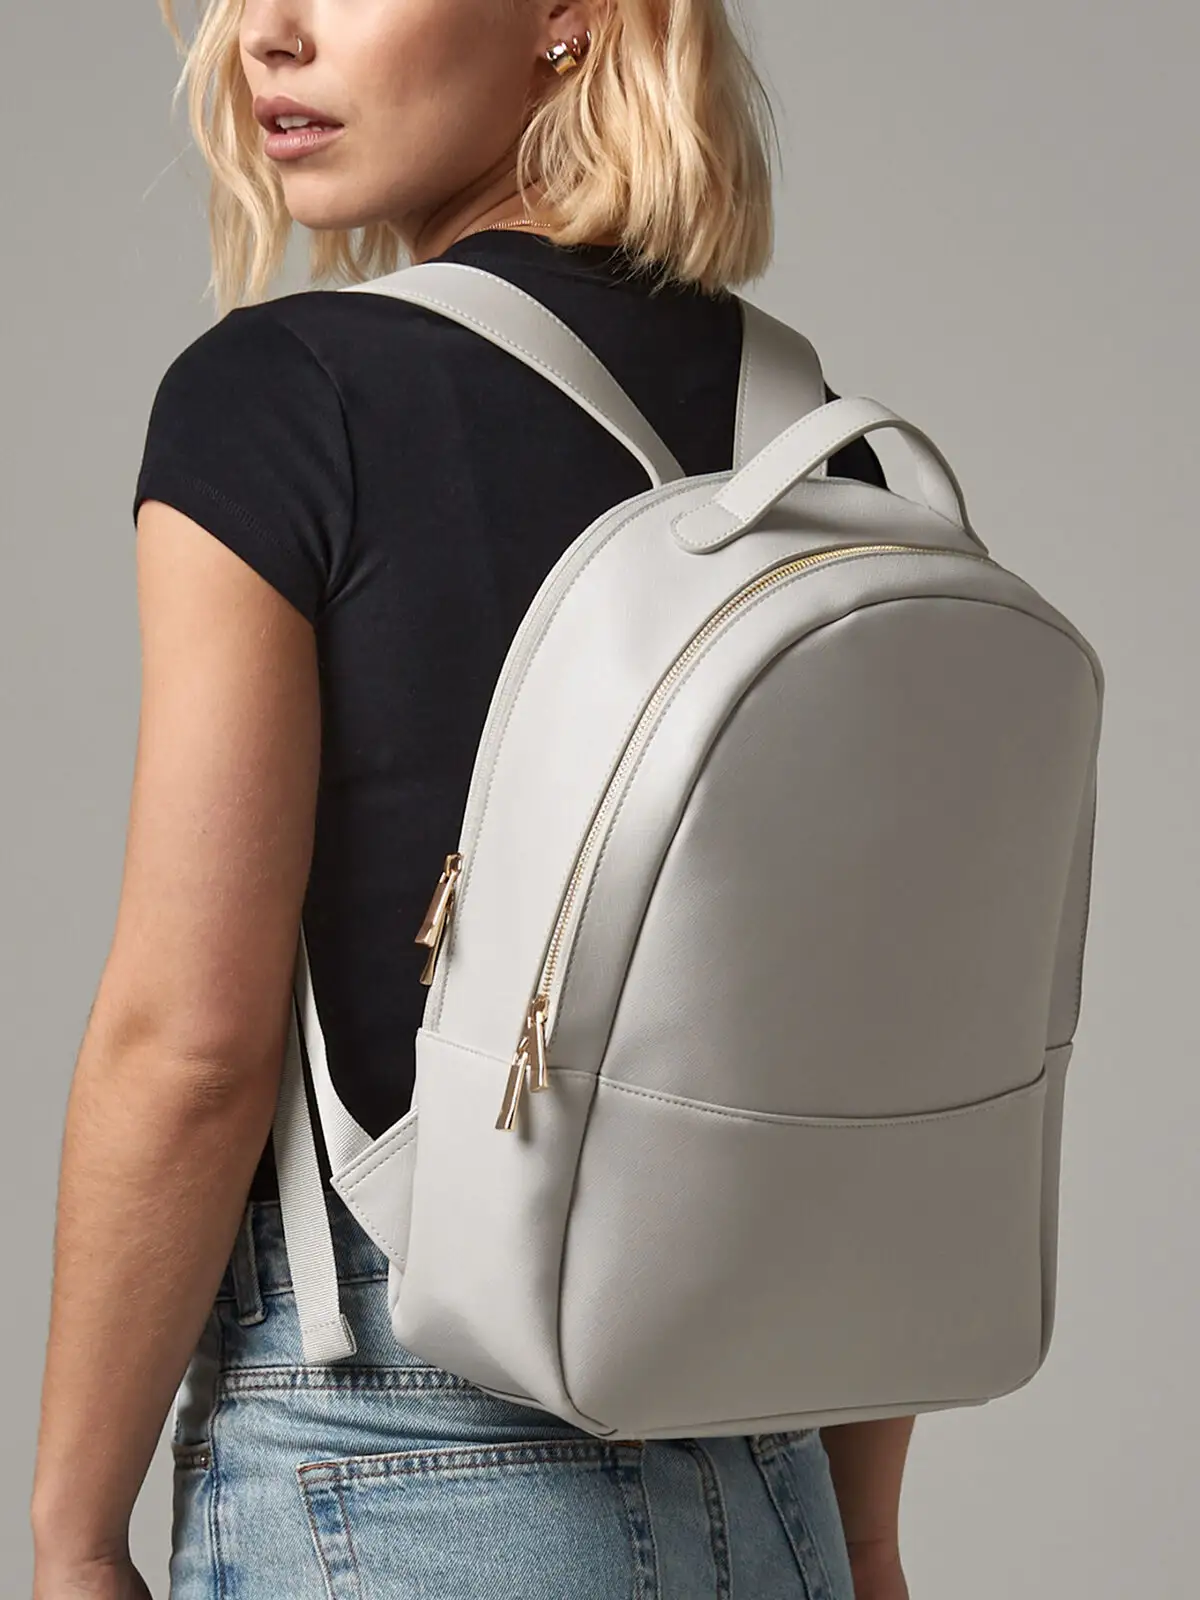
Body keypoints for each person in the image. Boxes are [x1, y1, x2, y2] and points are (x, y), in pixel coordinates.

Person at [31, 1, 916, 1595]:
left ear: (569, 15)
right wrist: (859, 1535)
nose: (268, 36)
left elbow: (192, 1045)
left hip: (387, 1461)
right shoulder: (824, 446)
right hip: (777, 1473)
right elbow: (865, 1051)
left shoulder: (286, 391)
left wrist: (74, 1530)